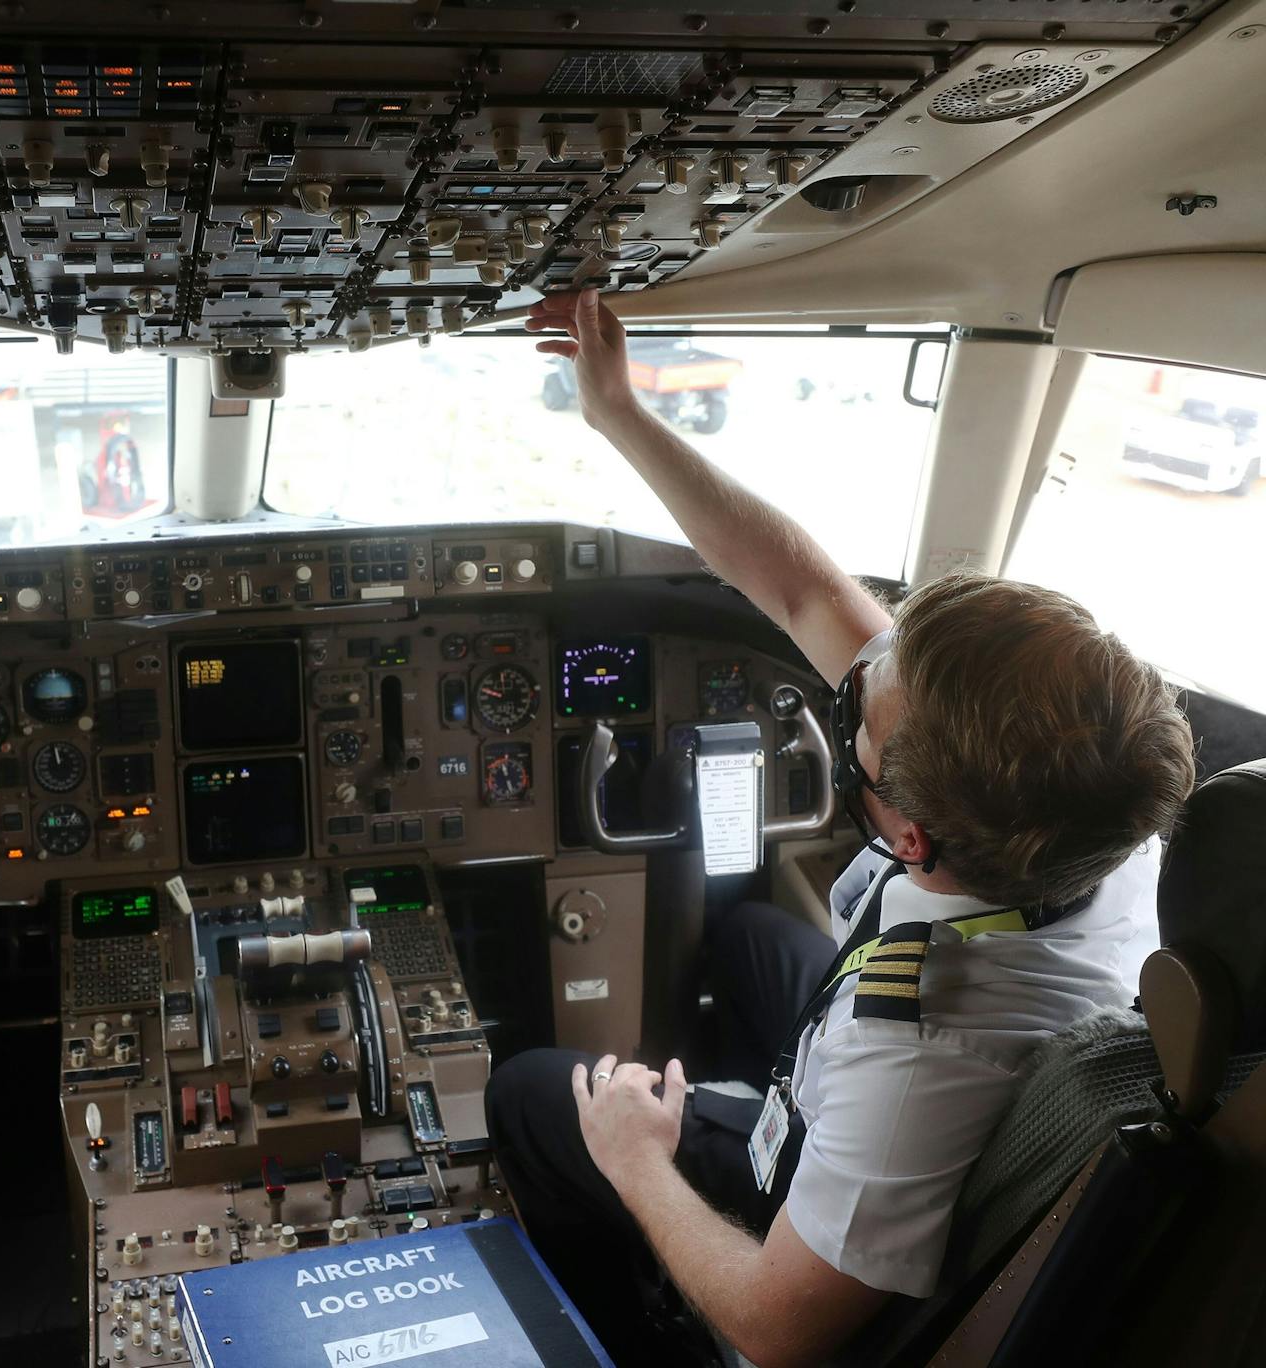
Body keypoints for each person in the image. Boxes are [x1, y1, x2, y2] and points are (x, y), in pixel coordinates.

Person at [485, 289, 1197, 1368]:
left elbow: (780, 1331)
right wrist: (617, 413)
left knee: (537, 1093)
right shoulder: (1090, 805)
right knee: (749, 938)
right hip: (882, 1028)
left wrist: (634, 1159)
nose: (852, 671)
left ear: (905, 835)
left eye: (852, 731)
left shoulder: (920, 1059)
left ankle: (631, 1330)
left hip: (798, 1252)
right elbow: (797, 587)